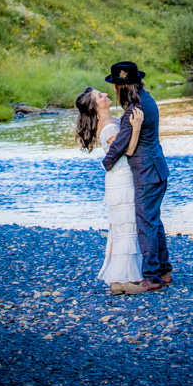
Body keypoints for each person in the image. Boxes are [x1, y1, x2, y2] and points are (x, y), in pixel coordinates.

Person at [102, 61, 172, 295]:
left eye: (115, 85)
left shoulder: (133, 110)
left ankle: (152, 278)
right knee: (154, 221)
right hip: (157, 169)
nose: (113, 89)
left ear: (120, 87)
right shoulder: (146, 99)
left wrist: (106, 162)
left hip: (146, 173)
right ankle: (164, 272)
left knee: (146, 224)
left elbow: (120, 144)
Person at [75, 86, 145, 294]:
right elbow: (128, 150)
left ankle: (123, 277)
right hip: (121, 179)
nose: (105, 95)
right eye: (100, 96)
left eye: (103, 93)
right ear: (95, 106)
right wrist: (138, 125)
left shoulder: (111, 120)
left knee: (122, 227)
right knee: (126, 227)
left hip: (121, 178)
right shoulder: (107, 126)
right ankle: (123, 278)